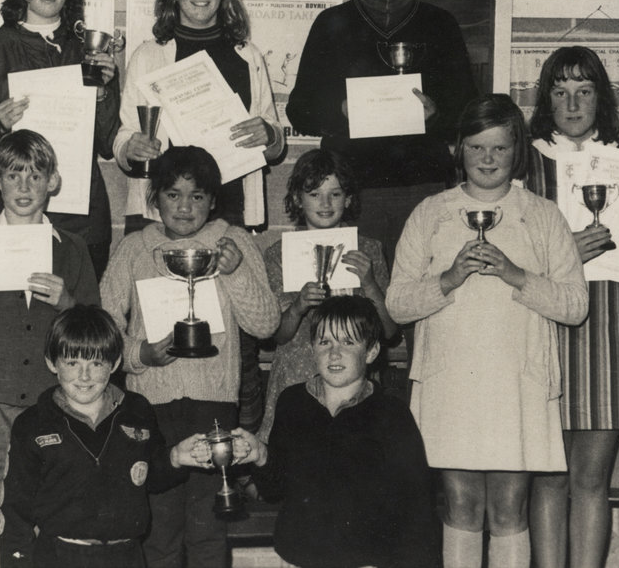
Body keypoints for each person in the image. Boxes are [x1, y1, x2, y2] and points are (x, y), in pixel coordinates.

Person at [386, 94, 588, 568]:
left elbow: (576, 306)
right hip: (451, 383)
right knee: (460, 506)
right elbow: (396, 304)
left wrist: (517, 276)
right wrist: (449, 279)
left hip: (516, 384)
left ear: (516, 150)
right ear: (458, 149)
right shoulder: (430, 212)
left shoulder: (543, 216)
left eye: (499, 148)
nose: (488, 160)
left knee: (507, 508)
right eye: (477, 148)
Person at [112, 0, 285, 433]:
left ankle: (235, 450)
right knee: (157, 328)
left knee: (235, 344)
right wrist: (132, 149)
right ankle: (156, 440)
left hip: (227, 208)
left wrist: (267, 135)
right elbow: (125, 130)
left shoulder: (246, 55)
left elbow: (271, 135)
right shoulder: (149, 55)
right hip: (162, 214)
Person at [100, 145, 280, 568]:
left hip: (213, 404)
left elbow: (266, 324)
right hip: (149, 407)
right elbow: (104, 331)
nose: (184, 207)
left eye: (197, 196)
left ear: (213, 200)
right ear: (154, 197)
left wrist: (234, 274)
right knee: (158, 530)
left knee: (206, 528)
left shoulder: (232, 242)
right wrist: (139, 354)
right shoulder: (133, 249)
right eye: (173, 194)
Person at [525, 46, 619, 568]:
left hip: (610, 326)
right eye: (560, 92)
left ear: (600, 98)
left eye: (583, 91)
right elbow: (512, 256)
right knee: (547, 477)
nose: (572, 103)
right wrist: (563, 251)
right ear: (547, 100)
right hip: (544, 329)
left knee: (590, 480)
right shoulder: (528, 160)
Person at [0, 129, 100, 568]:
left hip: (54, 403)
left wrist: (68, 303)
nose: (24, 187)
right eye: (13, 175)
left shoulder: (73, 249)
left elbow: (95, 334)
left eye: (35, 175)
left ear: (54, 182)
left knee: (51, 526)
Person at [285, 0, 478, 261]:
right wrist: (340, 109)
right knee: (359, 302)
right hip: (351, 190)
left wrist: (436, 113)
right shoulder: (331, 23)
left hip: (423, 185)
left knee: (420, 292)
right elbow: (299, 110)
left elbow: (468, 111)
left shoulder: (439, 24)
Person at [0, 305, 228, 568]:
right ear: (52, 362)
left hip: (127, 556)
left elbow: (149, 477)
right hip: (60, 556)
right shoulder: (32, 425)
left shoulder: (137, 410)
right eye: (72, 363)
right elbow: (16, 511)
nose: (84, 376)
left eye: (96, 363)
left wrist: (175, 458)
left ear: (115, 363)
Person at [239, 295, 439, 568]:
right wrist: (262, 456)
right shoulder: (292, 402)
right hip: (300, 556)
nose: (334, 353)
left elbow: (417, 510)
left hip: (367, 560)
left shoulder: (391, 415)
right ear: (312, 348)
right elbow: (275, 489)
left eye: (348, 342)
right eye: (325, 342)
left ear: (370, 352)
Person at [0, 0, 120, 279]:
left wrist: (102, 92)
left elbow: (107, 143)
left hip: (83, 218)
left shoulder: (89, 50)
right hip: (19, 211)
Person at [259, 148, 396, 440]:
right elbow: (277, 336)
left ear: (348, 199)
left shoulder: (369, 249)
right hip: (297, 376)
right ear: (297, 198)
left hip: (355, 381)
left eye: (335, 194)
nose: (325, 203)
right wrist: (297, 307)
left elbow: (388, 330)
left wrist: (369, 283)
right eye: (314, 194)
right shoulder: (278, 255)